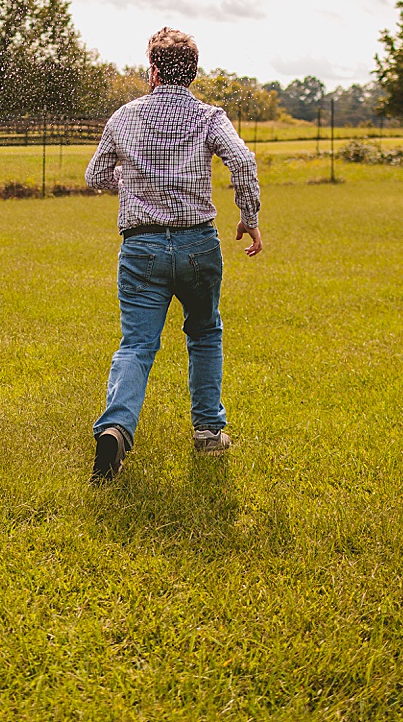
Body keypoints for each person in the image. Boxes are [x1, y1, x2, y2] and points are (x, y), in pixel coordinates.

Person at [85, 27, 262, 483]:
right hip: (198, 244)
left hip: (141, 246)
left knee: (137, 345)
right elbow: (242, 161)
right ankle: (208, 432)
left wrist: (132, 187)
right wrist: (249, 214)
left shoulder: (124, 116)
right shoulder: (208, 116)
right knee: (204, 333)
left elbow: (95, 174)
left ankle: (116, 428)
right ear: (194, 71)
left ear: (154, 70)